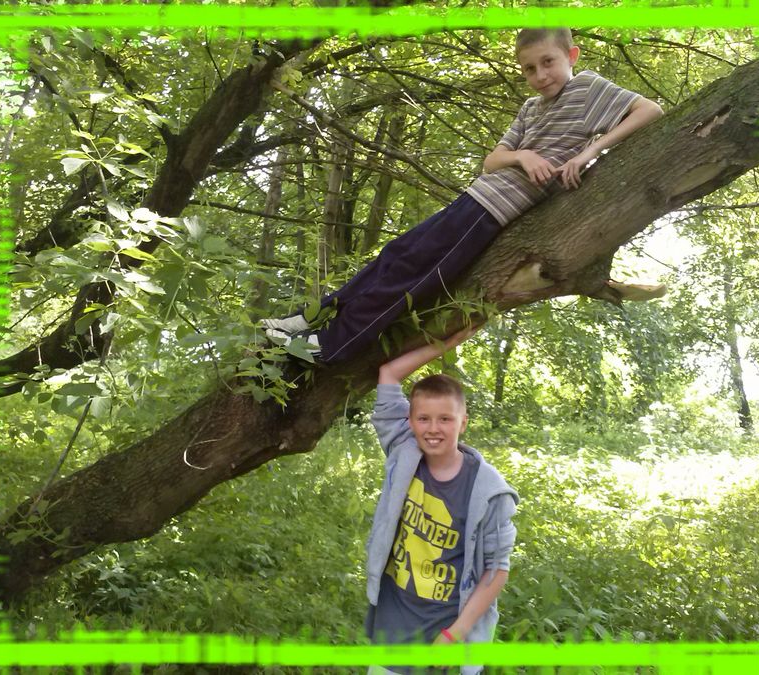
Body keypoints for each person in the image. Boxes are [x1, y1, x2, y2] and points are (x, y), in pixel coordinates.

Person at [263, 28, 664, 362]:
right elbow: (492, 161)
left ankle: (330, 346)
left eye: (548, 62)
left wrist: (589, 152)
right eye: (529, 68)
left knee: (412, 274)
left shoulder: (587, 88)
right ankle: (310, 318)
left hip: (494, 211)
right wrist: (523, 156)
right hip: (475, 198)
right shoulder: (530, 108)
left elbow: (650, 110)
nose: (541, 75)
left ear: (571, 56)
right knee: (395, 255)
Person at [364, 327, 518, 675]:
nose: (433, 428)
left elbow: (497, 569)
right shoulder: (403, 451)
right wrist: (445, 344)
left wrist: (455, 633)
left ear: (463, 423)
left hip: (447, 633)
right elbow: (388, 374)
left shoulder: (489, 490)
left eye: (445, 419)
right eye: (424, 419)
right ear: (410, 422)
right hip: (394, 628)